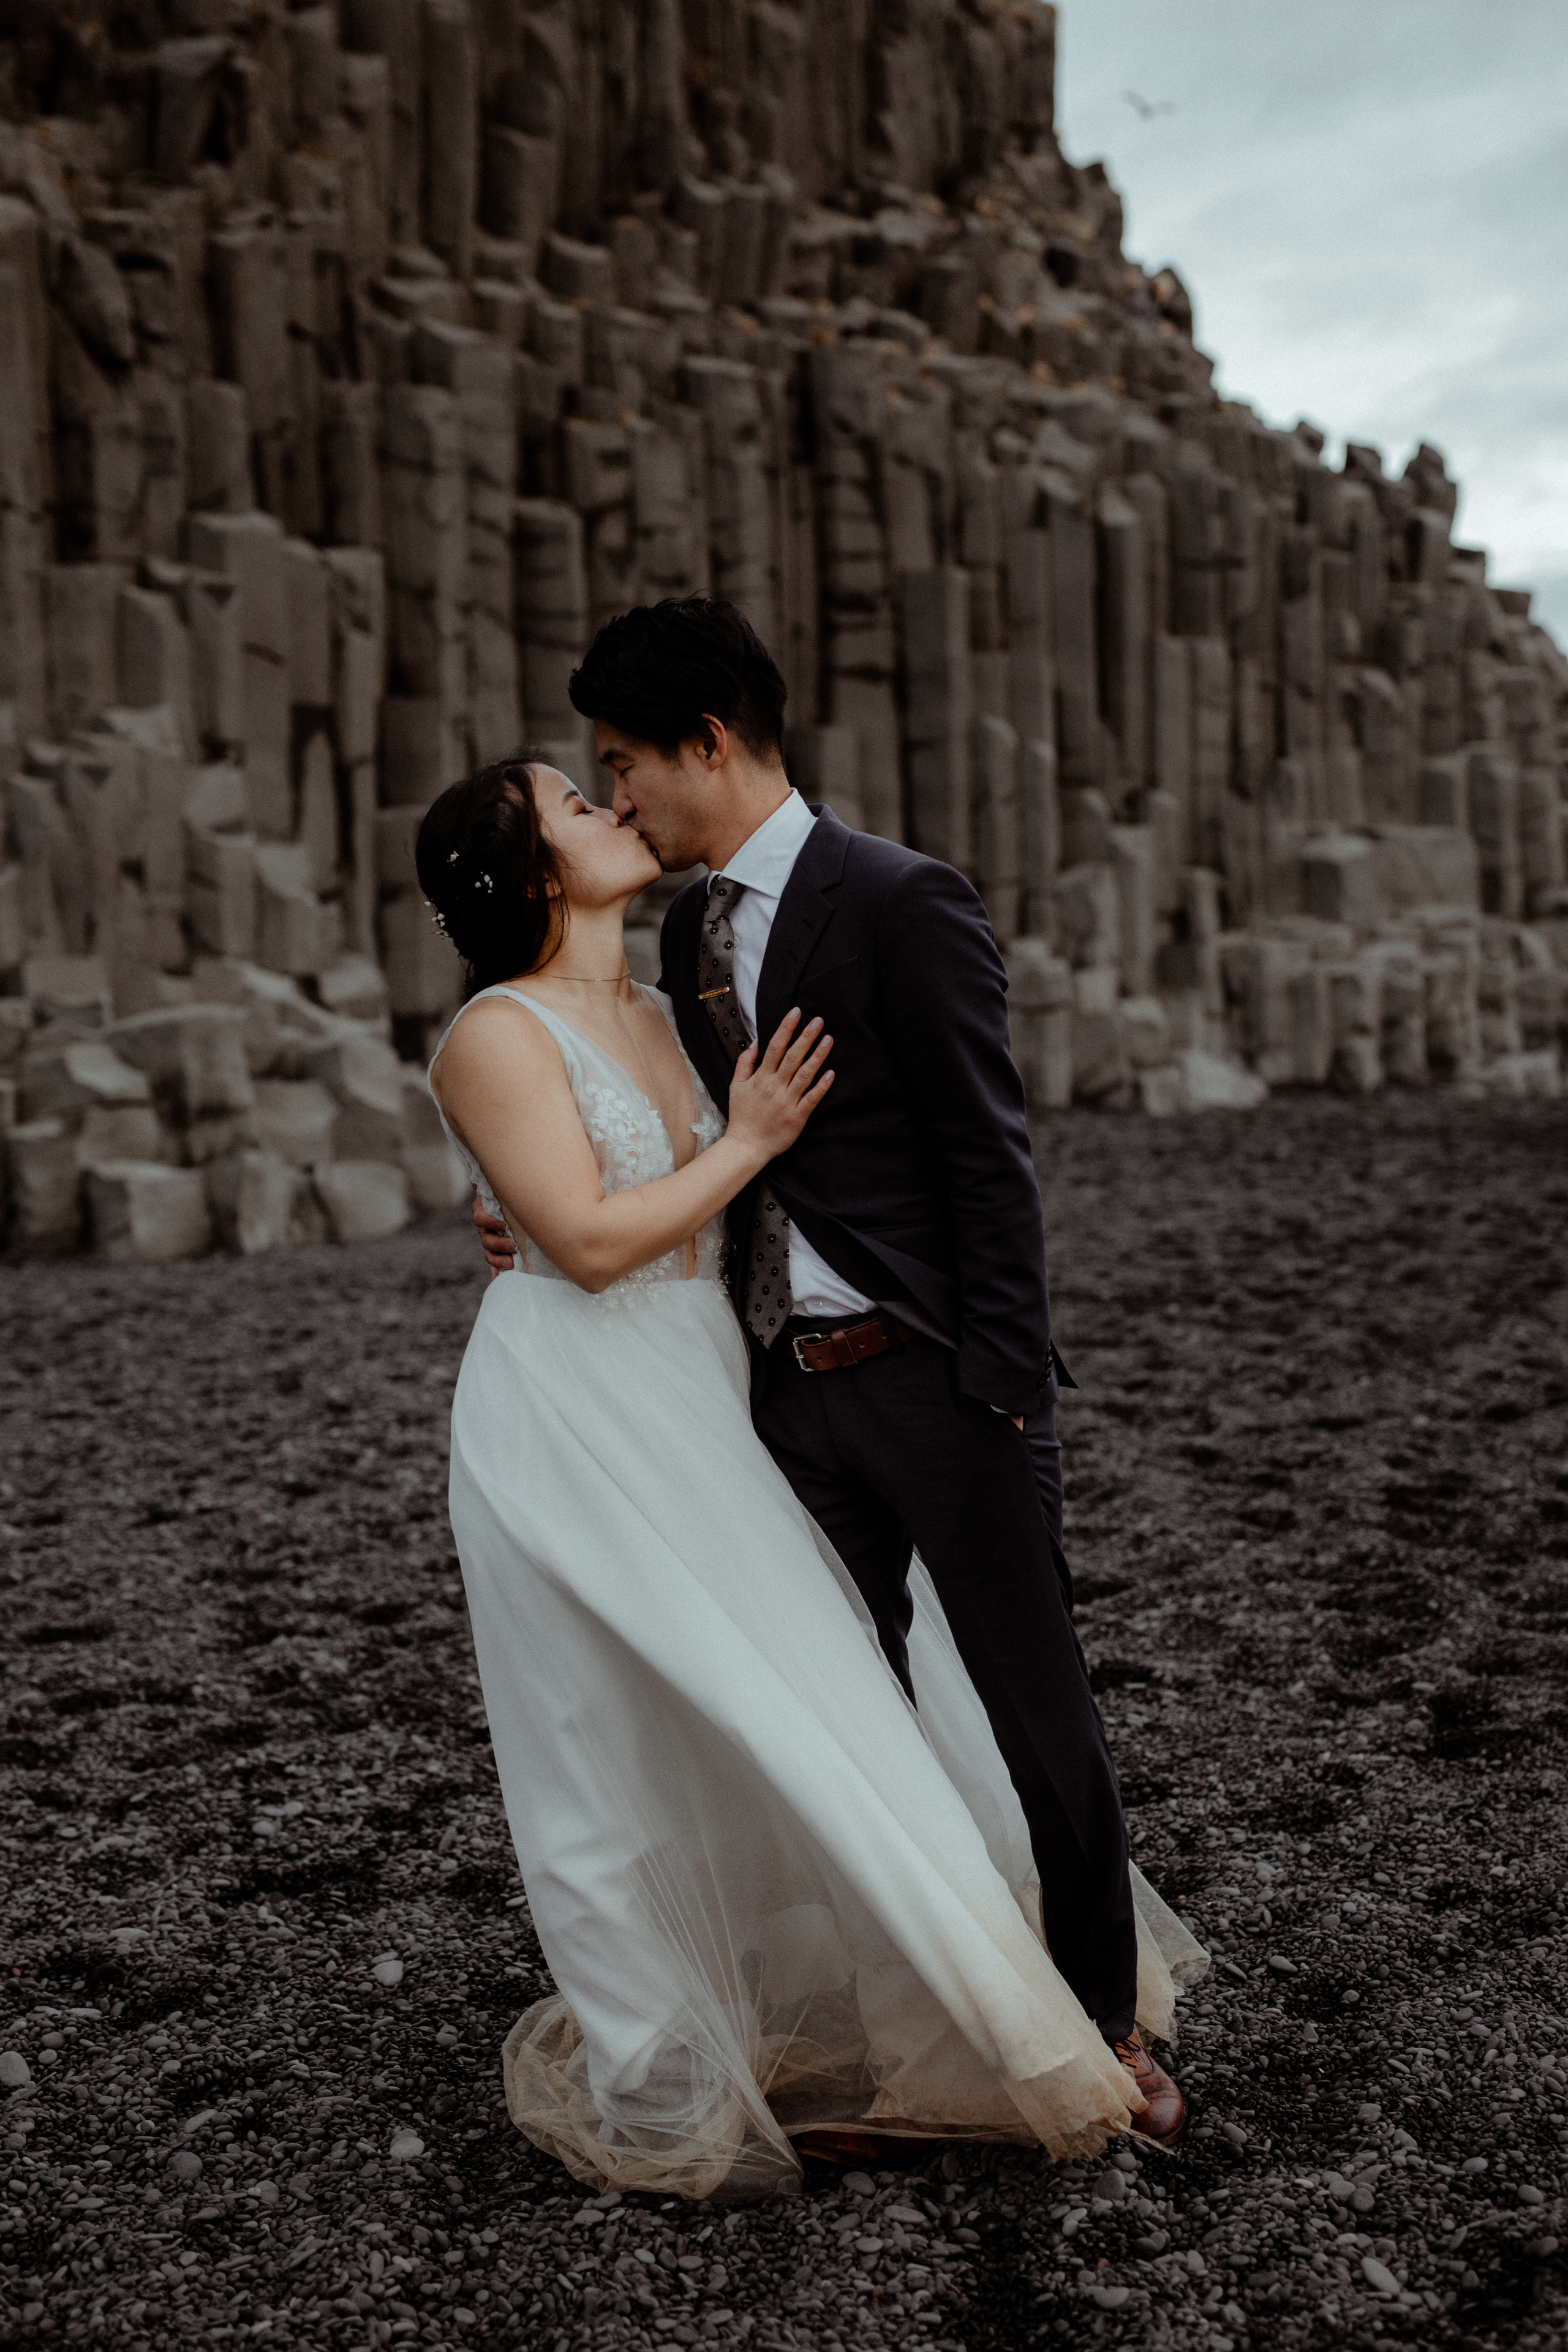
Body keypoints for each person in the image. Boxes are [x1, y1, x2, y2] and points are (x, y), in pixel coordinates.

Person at [439, 606, 1203, 2199]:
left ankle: (1085, 2023)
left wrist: (1001, 1386)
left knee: (996, 1706)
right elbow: (610, 1197)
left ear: (706, 742)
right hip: (707, 1402)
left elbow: (987, 1162)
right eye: (586, 789)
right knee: (767, 1714)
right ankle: (818, 2036)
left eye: (621, 767)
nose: (616, 796)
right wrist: (559, 1206)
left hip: (875, 1383)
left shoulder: (871, 909)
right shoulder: (657, 962)